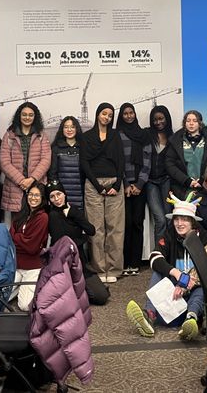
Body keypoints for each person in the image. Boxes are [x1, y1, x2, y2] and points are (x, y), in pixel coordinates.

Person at [126, 195, 207, 340]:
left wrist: (185, 283)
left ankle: (191, 319)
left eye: (184, 219)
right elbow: (154, 257)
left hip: (193, 289)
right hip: (173, 295)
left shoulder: (205, 239)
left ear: (192, 222)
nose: (179, 223)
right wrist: (176, 273)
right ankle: (149, 315)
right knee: (157, 272)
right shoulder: (169, 234)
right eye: (176, 219)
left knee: (202, 287)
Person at [80, 103, 125, 284]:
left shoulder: (115, 135)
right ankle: (99, 269)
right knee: (96, 229)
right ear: (98, 114)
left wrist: (118, 184)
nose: (107, 117)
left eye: (110, 115)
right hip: (93, 185)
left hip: (114, 183)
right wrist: (98, 187)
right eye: (104, 113)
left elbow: (121, 161)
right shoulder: (86, 137)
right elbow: (84, 163)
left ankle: (114, 269)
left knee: (115, 229)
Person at [46, 179, 109, 306]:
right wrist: (81, 239)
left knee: (101, 296)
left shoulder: (73, 210)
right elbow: (63, 243)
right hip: (63, 265)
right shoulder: (52, 215)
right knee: (66, 301)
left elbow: (91, 230)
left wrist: (75, 215)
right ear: (49, 200)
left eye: (59, 194)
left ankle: (79, 291)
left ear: (64, 194)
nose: (57, 199)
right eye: (52, 197)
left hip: (80, 263)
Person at [116, 102, 151, 276]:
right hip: (124, 186)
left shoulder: (144, 135)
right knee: (125, 224)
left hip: (140, 186)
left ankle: (135, 262)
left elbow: (148, 161)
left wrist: (139, 184)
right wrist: (125, 184)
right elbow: (118, 161)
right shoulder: (117, 134)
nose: (129, 116)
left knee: (137, 223)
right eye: (125, 113)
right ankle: (125, 262)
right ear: (121, 116)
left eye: (131, 113)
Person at [0, 101, 51, 214]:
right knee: (17, 220)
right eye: (24, 114)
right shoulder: (9, 135)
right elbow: (4, 162)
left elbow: (46, 160)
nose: (27, 117)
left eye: (30, 115)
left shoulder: (41, 135)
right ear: (19, 115)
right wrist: (21, 181)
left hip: (36, 184)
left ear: (35, 117)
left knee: (37, 218)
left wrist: (32, 179)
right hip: (15, 186)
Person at [165, 110, 207, 201]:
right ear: (184, 123)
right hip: (182, 188)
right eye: (188, 121)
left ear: (200, 123)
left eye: (195, 121)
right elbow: (169, 164)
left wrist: (203, 180)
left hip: (206, 187)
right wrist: (186, 180)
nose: (191, 123)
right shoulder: (175, 141)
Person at [10, 182, 49, 311]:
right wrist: (23, 239)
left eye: (37, 195)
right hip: (16, 264)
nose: (33, 198)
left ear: (42, 198)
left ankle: (30, 285)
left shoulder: (43, 217)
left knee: (25, 306)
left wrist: (17, 237)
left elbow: (32, 247)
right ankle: (20, 286)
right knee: (0, 295)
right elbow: (9, 237)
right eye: (30, 194)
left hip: (33, 266)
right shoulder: (21, 213)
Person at [145, 105, 173, 246]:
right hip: (150, 182)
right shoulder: (147, 134)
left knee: (169, 218)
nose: (158, 122)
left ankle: (170, 252)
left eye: (161, 118)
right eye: (155, 119)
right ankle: (159, 253)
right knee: (160, 219)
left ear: (166, 118)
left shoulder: (173, 137)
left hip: (166, 180)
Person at [48, 116, 85, 210]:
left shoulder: (84, 147)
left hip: (81, 193)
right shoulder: (55, 148)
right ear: (62, 129)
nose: (69, 130)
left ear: (77, 129)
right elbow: (52, 174)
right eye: (66, 127)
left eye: (72, 127)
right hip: (61, 195)